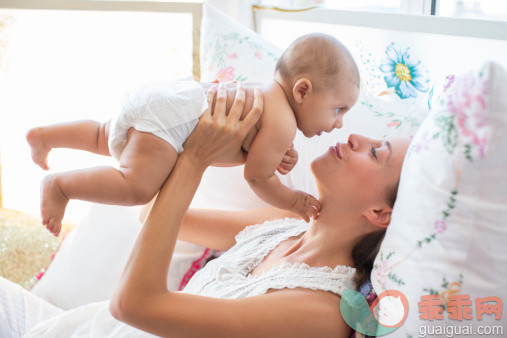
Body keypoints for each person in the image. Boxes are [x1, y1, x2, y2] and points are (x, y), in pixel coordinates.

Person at [1, 79, 409, 337]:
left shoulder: (320, 310)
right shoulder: (286, 225)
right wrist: (211, 139)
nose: (355, 137)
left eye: (377, 154)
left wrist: (195, 159)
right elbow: (152, 215)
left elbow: (131, 305)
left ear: (380, 213)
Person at [26, 33, 360, 237]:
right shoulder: (283, 122)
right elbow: (257, 176)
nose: (340, 124)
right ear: (303, 90)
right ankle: (60, 186)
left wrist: (278, 154)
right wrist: (294, 201)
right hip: (171, 126)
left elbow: (251, 148)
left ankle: (46, 135)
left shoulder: (267, 95)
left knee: (105, 135)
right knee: (136, 187)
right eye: (339, 109)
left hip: (168, 100)